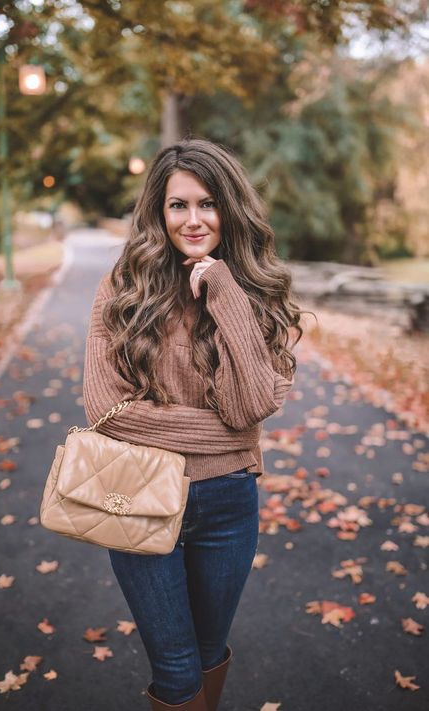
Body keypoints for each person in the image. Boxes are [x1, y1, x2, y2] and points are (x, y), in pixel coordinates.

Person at [83, 138, 304, 710]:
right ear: (159, 211)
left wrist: (225, 293)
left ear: (229, 207)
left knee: (209, 652)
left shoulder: (257, 293)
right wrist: (230, 436)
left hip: (229, 504)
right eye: (178, 205)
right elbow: (105, 409)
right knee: (177, 671)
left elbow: (249, 402)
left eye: (207, 203)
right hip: (137, 494)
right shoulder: (125, 289)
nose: (193, 219)